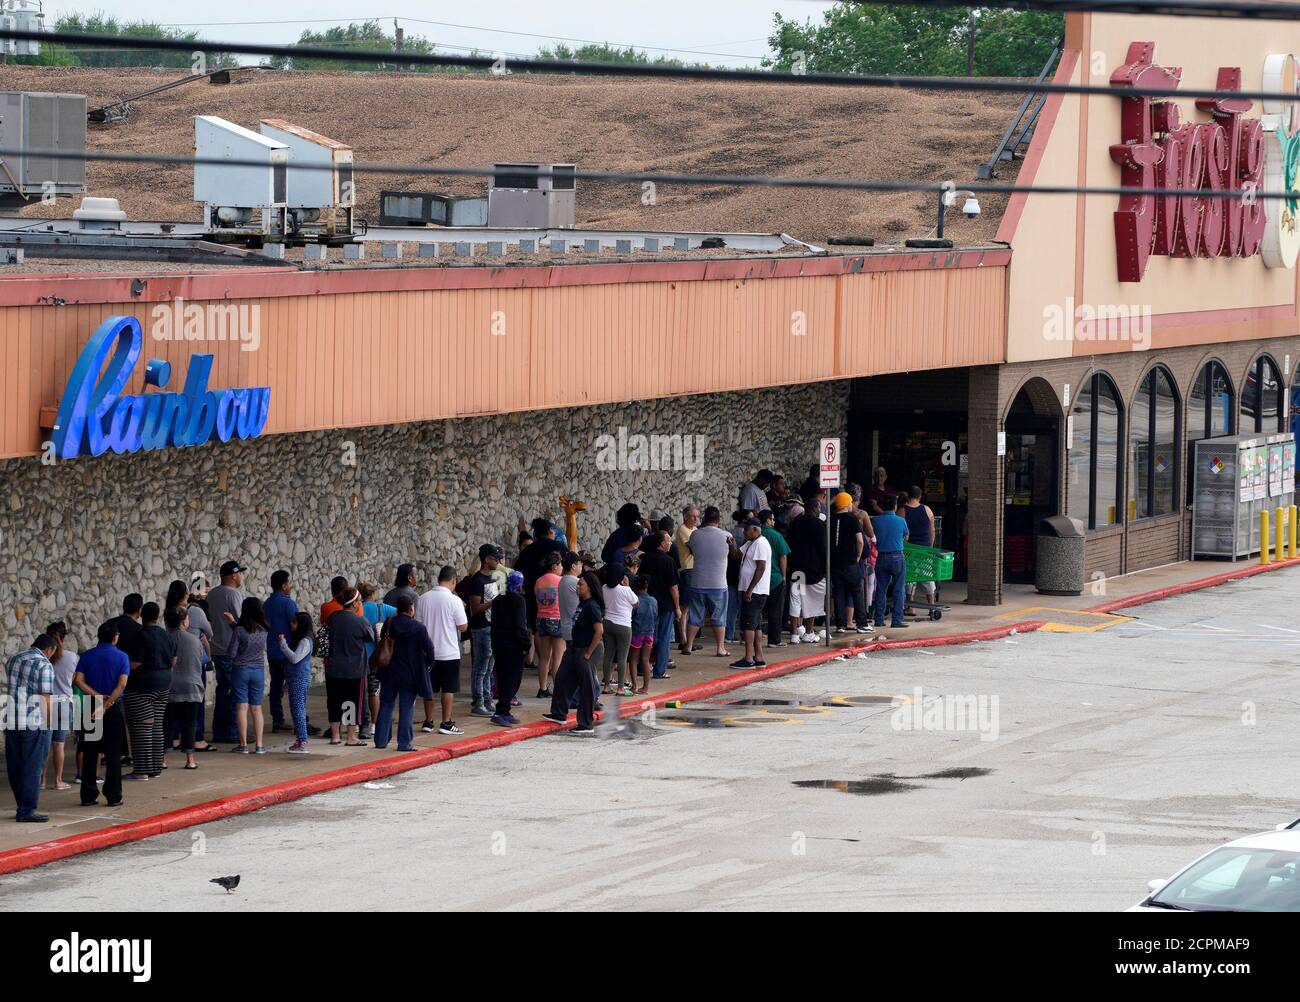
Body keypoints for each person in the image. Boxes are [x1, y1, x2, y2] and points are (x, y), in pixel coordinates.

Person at [73, 622, 129, 809]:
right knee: (113, 754)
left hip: (91, 705)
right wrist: (107, 704)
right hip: (113, 706)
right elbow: (121, 684)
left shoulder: (87, 656)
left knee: (90, 751)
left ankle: (88, 795)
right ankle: (113, 795)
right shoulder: (122, 657)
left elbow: (78, 681)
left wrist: (96, 697)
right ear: (115, 638)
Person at [543, 571, 605, 735]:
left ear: (589, 588)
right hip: (573, 647)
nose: (578, 587)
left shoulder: (592, 606)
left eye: (581, 584)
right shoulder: (582, 603)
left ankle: (586, 724)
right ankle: (558, 713)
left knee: (586, 686)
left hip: (586, 649)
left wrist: (588, 652)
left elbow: (599, 632)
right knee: (563, 678)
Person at [4, 634, 57, 822]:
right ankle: (26, 810)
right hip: (33, 722)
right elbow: (45, 698)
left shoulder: (14, 659)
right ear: (49, 649)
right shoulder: (44, 664)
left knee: (16, 765)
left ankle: (22, 804)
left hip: (11, 719)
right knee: (33, 766)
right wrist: (50, 722)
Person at [373, 595, 435, 751]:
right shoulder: (419, 628)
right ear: (411, 608)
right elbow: (430, 649)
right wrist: (428, 664)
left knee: (386, 705)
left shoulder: (390, 623)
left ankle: (380, 740)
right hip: (410, 673)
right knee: (406, 707)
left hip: (389, 671)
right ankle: (404, 743)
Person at [414, 566, 467, 736]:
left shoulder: (423, 599)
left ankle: (428, 721)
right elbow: (463, 626)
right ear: (453, 580)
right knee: (448, 688)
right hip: (449, 651)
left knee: (429, 688)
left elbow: (419, 625)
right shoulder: (454, 600)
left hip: (428, 652)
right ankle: (446, 722)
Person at [123, 602, 174, 780]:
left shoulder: (139, 636)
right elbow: (174, 660)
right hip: (164, 683)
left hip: (142, 685)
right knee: (157, 725)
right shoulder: (166, 635)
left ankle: (141, 770)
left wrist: (122, 670)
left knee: (142, 726)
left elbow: (135, 663)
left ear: (142, 615)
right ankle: (155, 767)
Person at [164, 580, 213, 750]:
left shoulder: (167, 612)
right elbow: (210, 632)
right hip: (193, 661)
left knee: (173, 705)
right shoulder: (196, 612)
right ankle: (195, 741)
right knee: (195, 703)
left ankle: (174, 738)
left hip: (173, 662)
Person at [324, 588, 373, 746]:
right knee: (352, 702)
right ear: (354, 604)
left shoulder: (333, 618)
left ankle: (335, 736)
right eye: (359, 601)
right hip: (354, 669)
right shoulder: (360, 621)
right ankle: (351, 737)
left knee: (334, 701)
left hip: (333, 668)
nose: (361, 604)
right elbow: (370, 637)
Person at [684, 506, 734, 657]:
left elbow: (692, 551)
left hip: (698, 581)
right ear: (719, 520)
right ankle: (720, 648)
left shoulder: (695, 535)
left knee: (695, 615)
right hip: (718, 583)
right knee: (719, 616)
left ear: (704, 519)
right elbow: (733, 554)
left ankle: (688, 645)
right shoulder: (727, 536)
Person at [206, 561, 247, 744]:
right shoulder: (234, 594)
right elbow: (241, 621)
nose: (241, 577)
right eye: (240, 574)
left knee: (222, 690)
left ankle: (218, 730)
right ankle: (230, 731)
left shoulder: (212, 594)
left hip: (216, 647)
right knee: (234, 691)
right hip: (231, 648)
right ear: (234, 575)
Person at [225, 596, 270, 754]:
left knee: (242, 707)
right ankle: (259, 745)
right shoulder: (264, 629)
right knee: (257, 708)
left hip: (241, 670)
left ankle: (243, 745)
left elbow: (231, 652)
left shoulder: (240, 630)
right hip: (258, 670)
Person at [164, 605, 204, 770]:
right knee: (189, 724)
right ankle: (190, 759)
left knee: (167, 725)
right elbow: (200, 660)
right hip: (191, 686)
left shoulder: (165, 638)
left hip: (169, 687)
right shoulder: (194, 639)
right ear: (183, 621)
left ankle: (163, 759)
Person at [463, 545, 501, 716]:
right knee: (481, 666)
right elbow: (475, 608)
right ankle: (478, 701)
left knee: (489, 666)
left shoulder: (494, 578)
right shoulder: (477, 581)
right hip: (481, 628)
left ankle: (488, 698)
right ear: (487, 559)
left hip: (493, 626)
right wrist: (494, 602)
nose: (498, 562)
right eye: (495, 559)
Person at [489, 571, 530, 727]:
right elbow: (520, 626)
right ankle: (501, 711)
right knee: (512, 679)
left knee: (503, 677)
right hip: (513, 646)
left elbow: (493, 623)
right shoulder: (519, 601)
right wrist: (526, 644)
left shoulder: (498, 599)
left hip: (499, 644)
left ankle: (504, 710)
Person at [639, 530, 680, 680]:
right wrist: (677, 607)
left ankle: (642, 667)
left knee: (646, 636)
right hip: (665, 605)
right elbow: (673, 587)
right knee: (663, 638)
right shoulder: (669, 561)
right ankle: (660, 670)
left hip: (648, 603)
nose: (670, 543)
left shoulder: (645, 559)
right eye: (668, 540)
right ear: (662, 543)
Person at [732, 519, 772, 669]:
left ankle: (748, 657)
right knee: (755, 624)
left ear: (755, 529)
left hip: (755, 591)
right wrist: (731, 544)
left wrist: (749, 589)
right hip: (751, 590)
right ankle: (759, 656)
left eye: (746, 530)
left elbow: (760, 567)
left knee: (749, 624)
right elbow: (735, 555)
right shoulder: (750, 543)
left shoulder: (761, 543)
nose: (744, 532)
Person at [786, 498, 828, 641]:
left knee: (795, 600)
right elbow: (823, 549)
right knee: (812, 602)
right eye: (819, 508)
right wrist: (826, 569)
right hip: (815, 571)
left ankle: (794, 634)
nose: (820, 511)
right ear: (815, 508)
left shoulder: (795, 523)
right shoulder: (819, 525)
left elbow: (789, 545)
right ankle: (809, 632)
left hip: (797, 568)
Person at [263, 570, 299, 735]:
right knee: (295, 686)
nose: (291, 586)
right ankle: (300, 720)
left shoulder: (267, 604)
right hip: (288, 650)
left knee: (276, 686)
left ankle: (278, 720)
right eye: (289, 583)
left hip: (272, 650)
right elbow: (295, 625)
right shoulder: (288, 603)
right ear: (284, 585)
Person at [359, 582, 396, 737]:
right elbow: (399, 613)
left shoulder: (357, 610)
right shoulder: (383, 609)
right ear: (373, 594)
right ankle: (375, 724)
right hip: (377, 656)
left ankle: (357, 724)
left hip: (359, 656)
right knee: (374, 690)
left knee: (359, 691)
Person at [43, 621, 76, 791]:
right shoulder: (71, 657)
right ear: (64, 637)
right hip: (63, 703)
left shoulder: (43, 656)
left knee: (43, 743)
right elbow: (75, 680)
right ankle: (58, 780)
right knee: (59, 743)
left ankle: (41, 781)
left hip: (45, 703)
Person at [276, 612, 315, 753]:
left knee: (298, 710)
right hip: (295, 678)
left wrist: (283, 645)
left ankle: (302, 741)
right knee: (297, 709)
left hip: (299, 678)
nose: (291, 625)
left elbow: (295, 659)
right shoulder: (303, 640)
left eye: (294, 622)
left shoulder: (305, 641)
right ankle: (300, 740)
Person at [830, 491, 868, 634]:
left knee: (838, 592)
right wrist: (858, 556)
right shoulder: (852, 519)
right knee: (857, 590)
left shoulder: (831, 519)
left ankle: (840, 624)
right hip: (850, 561)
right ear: (847, 503)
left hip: (835, 562)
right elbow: (859, 540)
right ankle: (862, 623)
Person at [872, 494, 911, 629]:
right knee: (898, 589)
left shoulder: (876, 521)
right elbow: (906, 536)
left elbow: (872, 536)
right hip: (897, 557)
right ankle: (897, 620)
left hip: (881, 557)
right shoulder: (901, 521)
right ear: (895, 506)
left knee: (881, 589)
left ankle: (879, 619)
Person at [600, 562, 637, 696]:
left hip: (607, 623)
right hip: (623, 625)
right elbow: (636, 603)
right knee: (622, 657)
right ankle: (620, 688)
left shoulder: (604, 587)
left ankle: (606, 686)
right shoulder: (625, 590)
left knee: (608, 655)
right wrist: (627, 586)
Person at [533, 550, 565, 704]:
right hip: (556, 618)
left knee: (544, 657)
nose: (562, 568)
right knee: (558, 657)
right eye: (560, 565)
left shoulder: (539, 581)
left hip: (541, 619)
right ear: (554, 566)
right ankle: (559, 689)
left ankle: (543, 688)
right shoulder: (560, 581)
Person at [757, 511, 792, 648]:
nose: (774, 522)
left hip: (757, 578)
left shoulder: (754, 535)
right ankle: (774, 639)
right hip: (775, 578)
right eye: (772, 519)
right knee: (775, 610)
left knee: (756, 610)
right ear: (767, 521)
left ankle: (750, 636)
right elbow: (783, 557)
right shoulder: (776, 536)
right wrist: (784, 576)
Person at [903, 486, 938, 614]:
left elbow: (900, 532)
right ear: (919, 496)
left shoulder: (903, 511)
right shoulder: (927, 510)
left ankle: (910, 607)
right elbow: (932, 530)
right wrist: (930, 546)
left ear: (908, 496)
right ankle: (932, 606)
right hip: (924, 549)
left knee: (910, 578)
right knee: (927, 577)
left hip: (910, 550)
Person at [628, 575, 657, 695]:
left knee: (633, 660)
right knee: (645, 660)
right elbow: (656, 616)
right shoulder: (653, 600)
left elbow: (631, 616)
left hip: (636, 633)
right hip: (649, 633)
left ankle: (634, 686)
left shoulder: (635, 600)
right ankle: (645, 687)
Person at [674, 505, 699, 642]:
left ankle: (687, 639)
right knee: (684, 606)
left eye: (697, 516)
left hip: (694, 568)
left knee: (689, 607)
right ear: (685, 517)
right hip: (686, 569)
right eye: (693, 516)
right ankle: (683, 639)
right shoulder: (683, 530)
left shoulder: (694, 530)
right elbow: (693, 548)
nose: (695, 519)